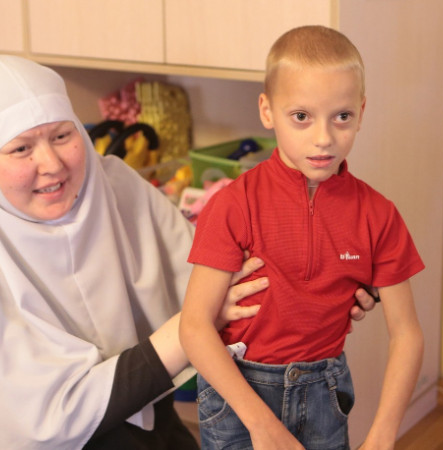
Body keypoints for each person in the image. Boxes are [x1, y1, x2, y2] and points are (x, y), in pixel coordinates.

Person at [0, 55, 376, 449]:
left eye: (62, 136)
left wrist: (329, 283)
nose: (52, 163)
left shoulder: (114, 187)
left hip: (146, 416)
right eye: (21, 149)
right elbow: (48, 420)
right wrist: (195, 322)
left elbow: (229, 278)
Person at [179, 25, 425, 450]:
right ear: (267, 110)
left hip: (324, 395)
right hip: (238, 398)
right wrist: (262, 425)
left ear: (361, 111)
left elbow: (407, 334)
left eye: (342, 116)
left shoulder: (379, 214)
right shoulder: (233, 205)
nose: (324, 138)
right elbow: (195, 327)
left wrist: (383, 434)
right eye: (301, 117)